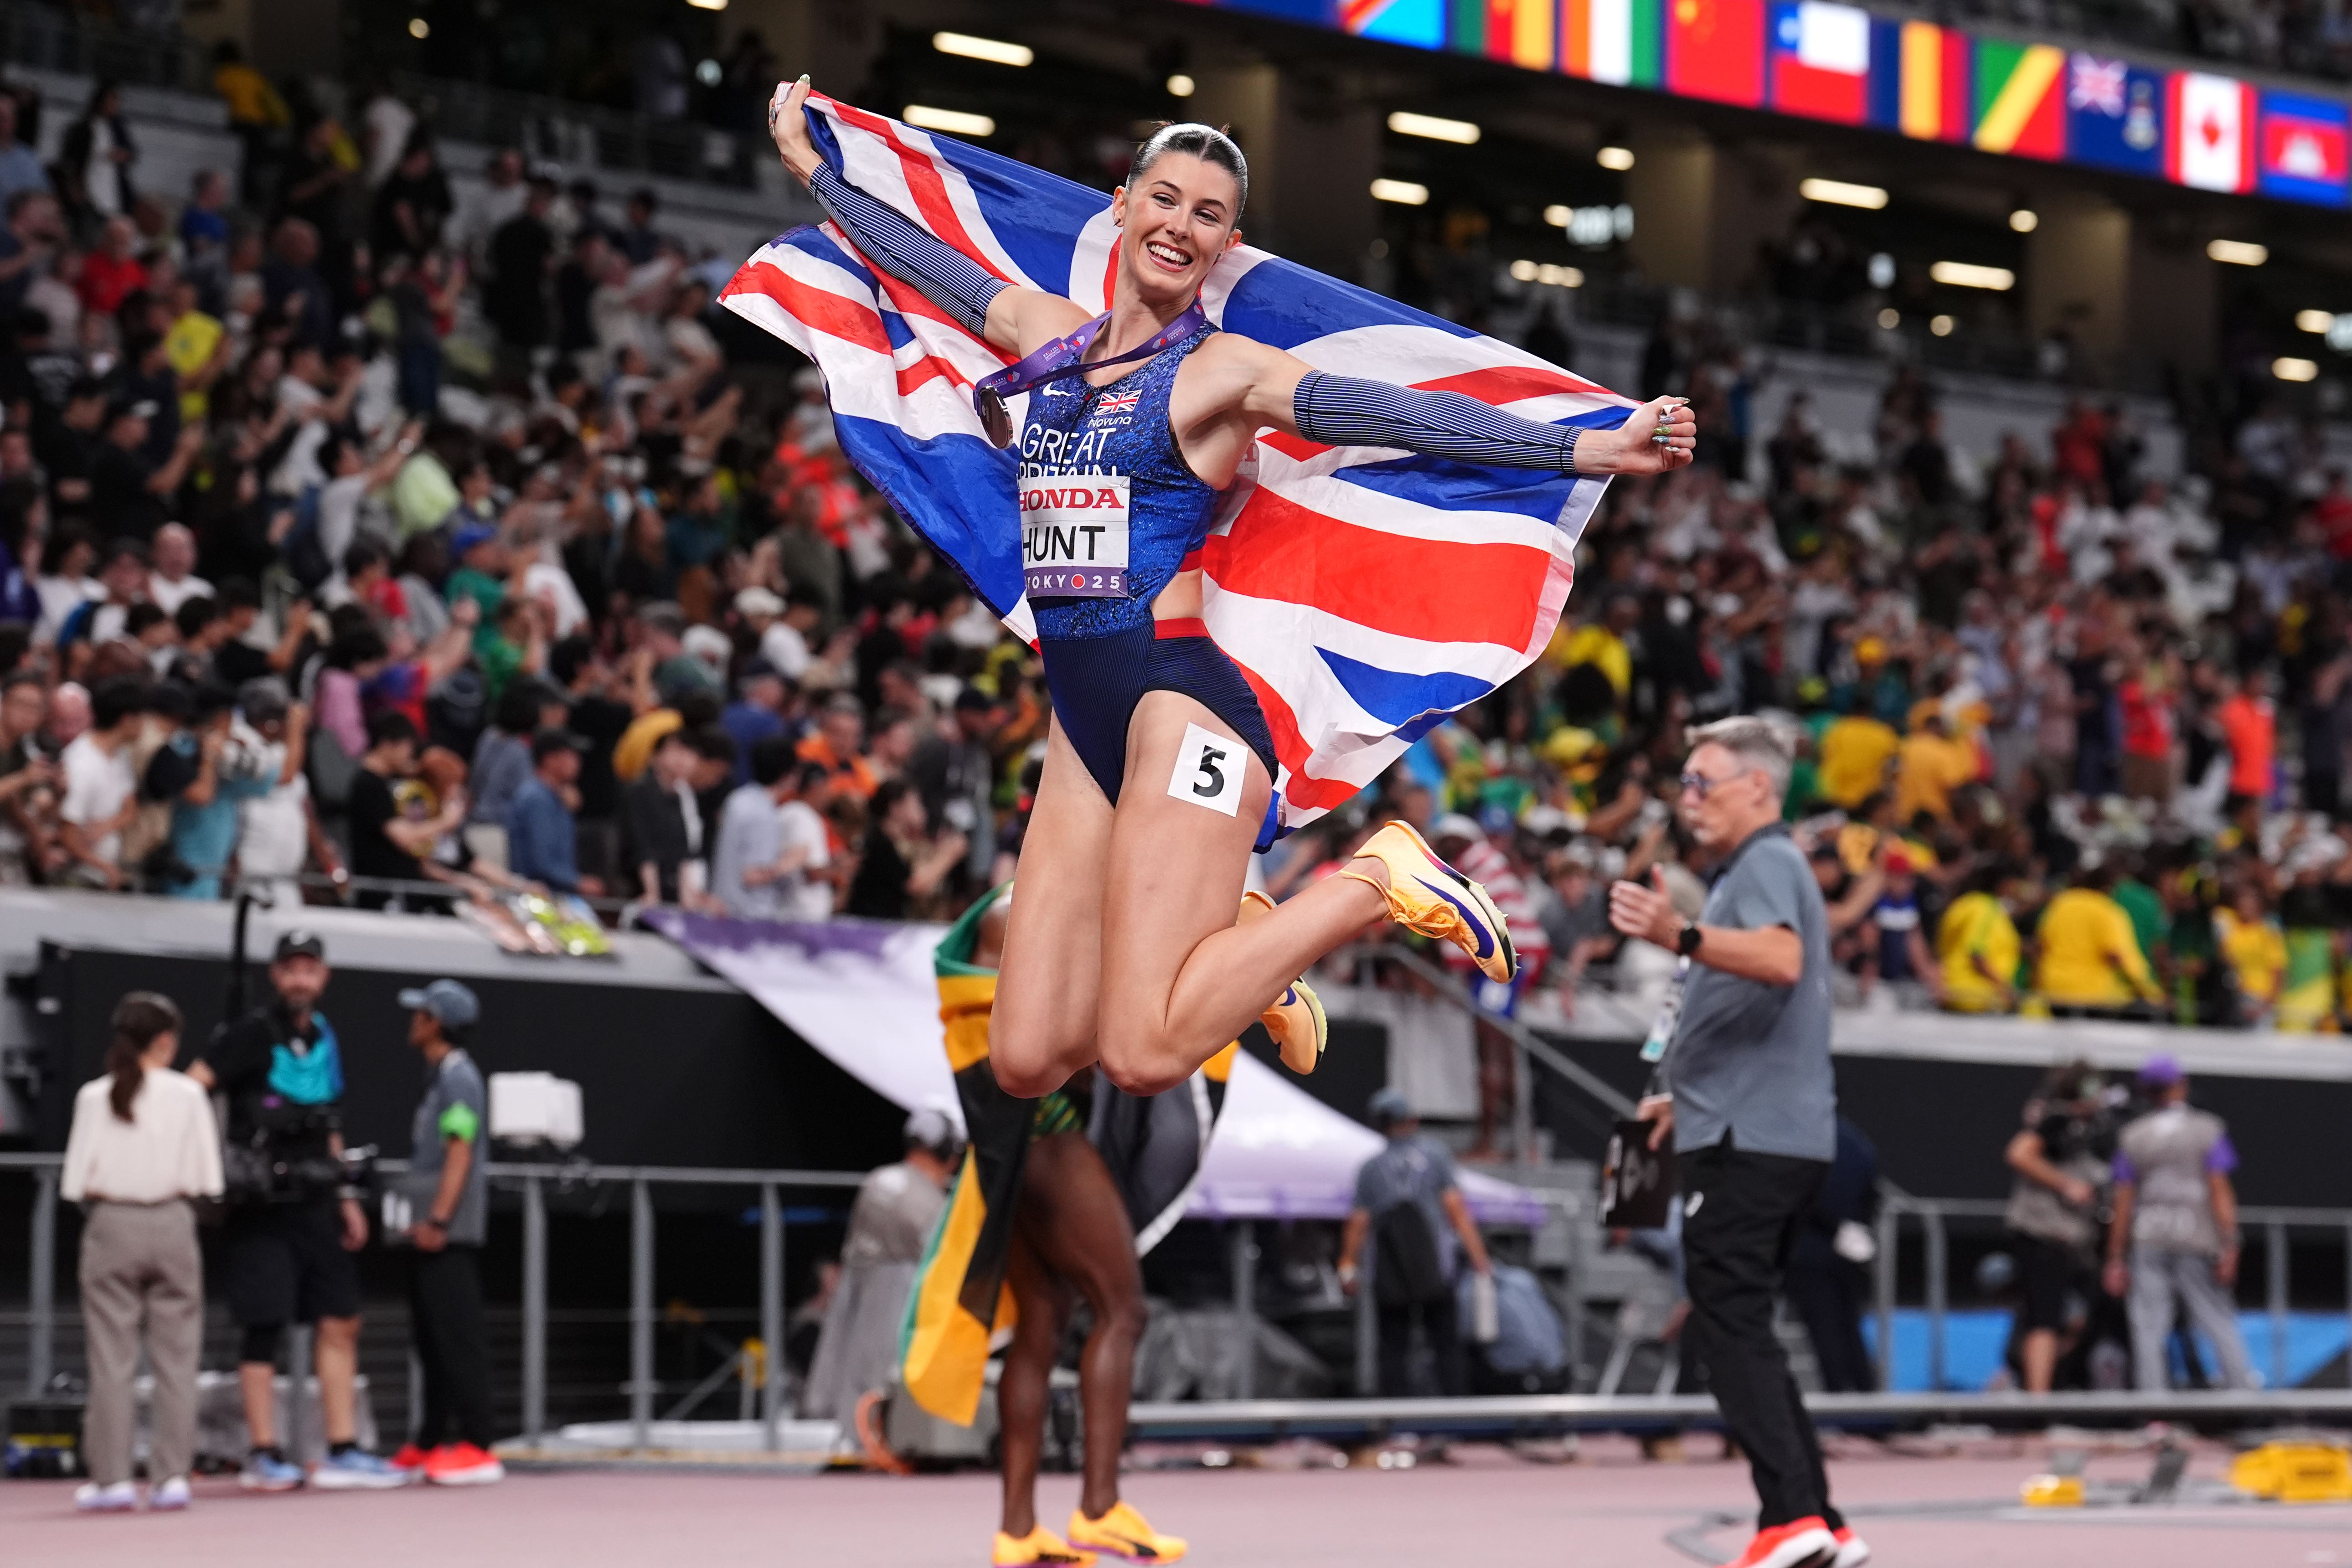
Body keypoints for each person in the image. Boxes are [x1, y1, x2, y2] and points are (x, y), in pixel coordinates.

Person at [767, 82, 1690, 1104]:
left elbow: (1396, 413)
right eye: (1164, 199)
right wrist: (818, 173)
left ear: (1226, 241)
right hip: (1084, 719)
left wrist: (1581, 445)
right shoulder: (1048, 338)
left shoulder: (1219, 373)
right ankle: (1247, 951)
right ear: (1122, 205)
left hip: (1184, 708)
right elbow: (927, 264)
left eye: (1207, 214)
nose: (1180, 225)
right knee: (1027, 1058)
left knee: (1146, 1055)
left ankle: (1375, 876)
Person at [1606, 716, 1862, 1568]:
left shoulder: (1766, 864)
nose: (1687, 799)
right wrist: (1683, 1098)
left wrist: (1675, 932)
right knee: (1745, 1326)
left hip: (1750, 1141)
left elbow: (1779, 963)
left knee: (1729, 1329)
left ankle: (1791, 1521)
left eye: (1700, 782)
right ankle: (1817, 1519)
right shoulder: (1752, 872)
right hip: (1754, 1128)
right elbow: (1755, 997)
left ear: (1759, 785)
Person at [908, 887, 1189, 1568]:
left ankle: (1018, 1528)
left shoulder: (1013, 910)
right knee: (1123, 1311)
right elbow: (1039, 1045)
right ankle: (1098, 1509)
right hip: (1048, 1139)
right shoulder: (1023, 912)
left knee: (1041, 1324)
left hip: (1012, 1151)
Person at [188, 932, 410, 1490]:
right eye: (291, 969)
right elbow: (193, 1087)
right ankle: (263, 1452)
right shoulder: (250, 1034)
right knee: (264, 1325)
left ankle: (341, 1448)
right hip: (260, 1206)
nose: (301, 979)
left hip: (317, 1200)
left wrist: (346, 1197)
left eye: (310, 969)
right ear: (275, 974)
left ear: (324, 976)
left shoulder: (326, 1040)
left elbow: (331, 1122)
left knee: (341, 1318)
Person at [60, 992, 222, 1513]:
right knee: (178, 1358)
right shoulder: (188, 1095)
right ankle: (172, 1476)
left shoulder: (94, 1095)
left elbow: (74, 1181)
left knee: (112, 1359)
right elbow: (208, 1177)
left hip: (112, 1223)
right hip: (174, 1221)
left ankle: (112, 1479)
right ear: (166, 1040)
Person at [387, 979, 505, 1485]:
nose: (412, 1019)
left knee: (457, 1337)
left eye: (421, 1013)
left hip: (449, 1231)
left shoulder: (458, 1078)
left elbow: (460, 1149)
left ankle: (479, 1444)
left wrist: (438, 1219)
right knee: (431, 1338)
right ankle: (430, 1437)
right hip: (435, 1227)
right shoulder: (439, 1077)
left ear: (436, 1023)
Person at [2104, 1055, 2256, 1392]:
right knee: (2218, 1320)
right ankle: (2244, 1401)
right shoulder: (2208, 1129)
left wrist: (2115, 1257)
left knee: (2148, 1328)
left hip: (2149, 1237)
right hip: (2197, 1237)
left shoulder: (2133, 1135)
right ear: (2181, 1085)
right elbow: (2219, 1189)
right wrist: (2230, 1241)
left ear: (2145, 1091)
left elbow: (2123, 1201)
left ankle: (2153, 1409)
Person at [798, 1108, 957, 1423]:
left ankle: (859, 1431)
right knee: (887, 1371)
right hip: (903, 1296)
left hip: (859, 1294)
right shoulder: (927, 1199)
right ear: (946, 1151)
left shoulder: (878, 1181)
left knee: (855, 1366)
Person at [1338, 1088, 1494, 1399]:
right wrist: (1479, 1256)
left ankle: (1396, 1420)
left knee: (1394, 1347)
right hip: (1437, 1268)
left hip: (1391, 1272)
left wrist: (1347, 1265)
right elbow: (1455, 1209)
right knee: (1446, 1344)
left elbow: (1359, 1222)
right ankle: (1456, 1415)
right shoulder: (1435, 1155)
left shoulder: (1371, 1168)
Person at [2003, 1062, 2114, 1393]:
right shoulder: (2059, 1120)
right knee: (2045, 1319)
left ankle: (2054, 1386)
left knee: (2072, 1319)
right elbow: (2019, 1153)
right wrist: (2066, 1185)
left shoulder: (2083, 1125)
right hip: (2043, 1234)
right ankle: (2039, 1403)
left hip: (2070, 1241)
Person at [712, 738, 828, 920]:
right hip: (747, 916)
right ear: (789, 775)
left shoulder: (738, 799)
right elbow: (751, 876)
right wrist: (791, 862)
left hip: (727, 908)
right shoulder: (762, 812)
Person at [505, 728, 598, 894]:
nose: (578, 762)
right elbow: (541, 861)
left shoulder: (559, 796)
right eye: (571, 755)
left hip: (558, 892)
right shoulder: (535, 798)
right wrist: (577, 881)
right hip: (537, 894)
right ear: (550, 760)